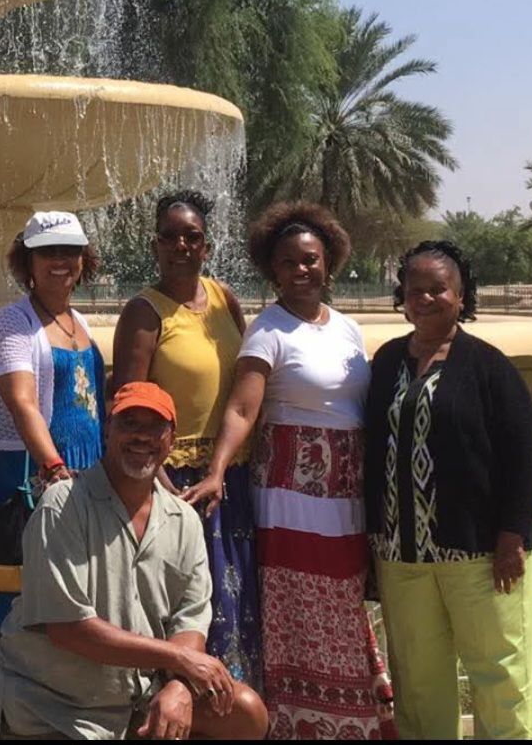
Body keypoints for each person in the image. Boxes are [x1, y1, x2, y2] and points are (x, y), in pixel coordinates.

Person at [206, 201, 395, 739]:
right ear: (274, 270)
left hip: (346, 492)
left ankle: (349, 715)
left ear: (328, 262)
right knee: (298, 607)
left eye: (310, 259)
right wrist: (219, 468)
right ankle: (297, 722)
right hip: (293, 494)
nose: (302, 270)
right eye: (288, 262)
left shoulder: (349, 329)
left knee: (342, 601)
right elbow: (243, 409)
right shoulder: (269, 331)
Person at [0, 381, 268, 740]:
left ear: (171, 439)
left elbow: (191, 622)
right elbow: (69, 628)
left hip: (137, 701)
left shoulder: (184, 521)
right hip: (57, 709)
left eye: (155, 427)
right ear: (107, 429)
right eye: (130, 424)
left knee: (245, 712)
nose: (142, 437)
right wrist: (178, 660)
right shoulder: (63, 505)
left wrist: (180, 686)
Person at [363, 240, 532, 739]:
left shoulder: (487, 365)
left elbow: (524, 453)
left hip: (479, 553)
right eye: (414, 289)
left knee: (501, 673)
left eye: (438, 289)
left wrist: (513, 533)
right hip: (402, 556)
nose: (425, 298)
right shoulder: (387, 362)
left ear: (461, 296)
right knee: (418, 682)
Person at [111, 190, 261, 688]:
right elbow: (129, 406)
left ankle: (235, 706)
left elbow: (244, 383)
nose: (181, 245)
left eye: (191, 237)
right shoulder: (145, 311)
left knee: (235, 596)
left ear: (207, 246)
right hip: (175, 482)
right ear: (155, 246)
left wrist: (224, 469)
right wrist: (155, 480)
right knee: (186, 601)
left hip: (229, 476)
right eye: (170, 237)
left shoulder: (224, 299)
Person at [0, 210, 107, 732]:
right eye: (48, 252)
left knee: (70, 613)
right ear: (27, 260)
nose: (60, 262)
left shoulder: (78, 322)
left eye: (70, 251)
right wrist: (54, 467)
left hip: (82, 482)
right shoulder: (12, 321)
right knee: (9, 612)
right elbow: (22, 401)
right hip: (26, 484)